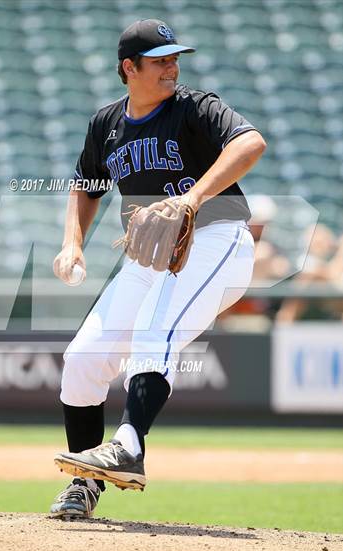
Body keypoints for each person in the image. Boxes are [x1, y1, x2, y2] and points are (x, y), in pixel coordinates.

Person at [50, 19, 266, 518]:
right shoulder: (107, 123)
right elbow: (87, 184)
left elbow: (250, 143)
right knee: (83, 359)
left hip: (217, 241)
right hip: (150, 257)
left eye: (175, 59)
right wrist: (72, 243)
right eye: (160, 60)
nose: (172, 67)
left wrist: (191, 198)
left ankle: (128, 446)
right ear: (129, 68)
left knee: (154, 331)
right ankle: (85, 483)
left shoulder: (193, 107)